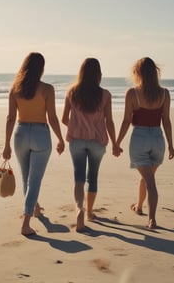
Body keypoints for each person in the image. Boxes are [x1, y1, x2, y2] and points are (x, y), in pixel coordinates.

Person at [3, 52, 65, 236]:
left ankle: (35, 208)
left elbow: (10, 117)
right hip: (40, 134)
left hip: (20, 134)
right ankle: (26, 222)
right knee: (35, 180)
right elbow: (52, 117)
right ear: (41, 69)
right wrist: (60, 139)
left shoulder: (15, 88)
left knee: (26, 177)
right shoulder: (47, 89)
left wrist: (6, 144)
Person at [114, 57, 174, 229]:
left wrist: (117, 142)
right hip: (157, 138)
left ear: (138, 73)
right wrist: (170, 145)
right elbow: (167, 121)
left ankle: (152, 219)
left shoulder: (133, 93)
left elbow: (126, 121)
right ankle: (139, 206)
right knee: (147, 176)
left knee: (150, 181)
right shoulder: (164, 93)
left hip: (140, 138)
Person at [62, 58, 117, 232]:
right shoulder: (105, 94)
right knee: (92, 177)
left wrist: (77, 127)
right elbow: (109, 121)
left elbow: (64, 119)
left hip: (77, 141)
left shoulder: (72, 92)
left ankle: (79, 209)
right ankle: (90, 213)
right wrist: (115, 143)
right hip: (98, 142)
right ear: (99, 75)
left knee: (78, 177)